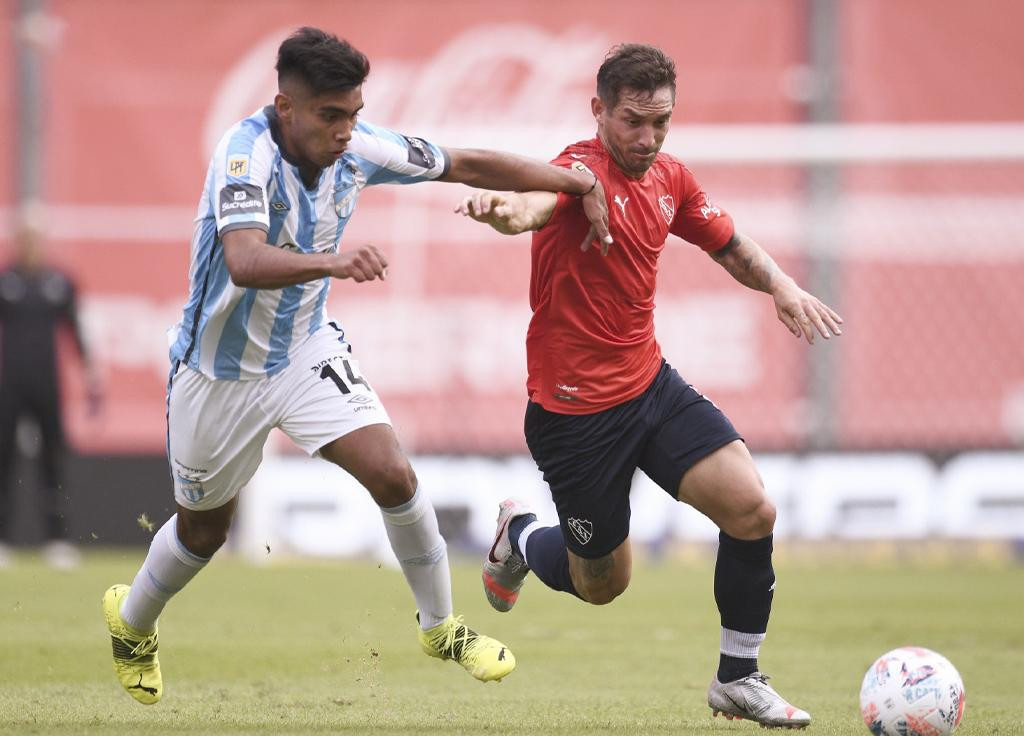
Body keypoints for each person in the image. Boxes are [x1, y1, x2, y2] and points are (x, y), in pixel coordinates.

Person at [100, 26, 611, 705]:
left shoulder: (357, 149)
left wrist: (571, 180)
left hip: (305, 350)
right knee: (203, 531)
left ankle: (441, 627)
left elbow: (466, 162)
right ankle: (132, 625)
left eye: (354, 114)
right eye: (330, 115)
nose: (346, 130)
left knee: (393, 474)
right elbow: (245, 261)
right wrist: (333, 261)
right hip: (217, 374)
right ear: (287, 108)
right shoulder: (243, 156)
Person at [457, 43, 842, 730]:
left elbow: (727, 243)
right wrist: (502, 213)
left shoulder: (672, 177)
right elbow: (532, 206)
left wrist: (781, 286)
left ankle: (739, 677)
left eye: (661, 121)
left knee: (752, 511)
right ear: (599, 110)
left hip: (651, 388)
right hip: (574, 418)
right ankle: (519, 537)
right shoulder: (575, 172)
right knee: (602, 585)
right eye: (633, 121)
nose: (648, 137)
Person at [0, 218, 101, 570]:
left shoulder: (59, 283)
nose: (30, 244)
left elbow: (77, 331)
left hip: (47, 384)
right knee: (4, 459)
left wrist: (91, 377)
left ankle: (57, 539)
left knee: (52, 462)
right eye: (25, 237)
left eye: (36, 238)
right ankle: (3, 540)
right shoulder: (5, 281)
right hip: (9, 385)